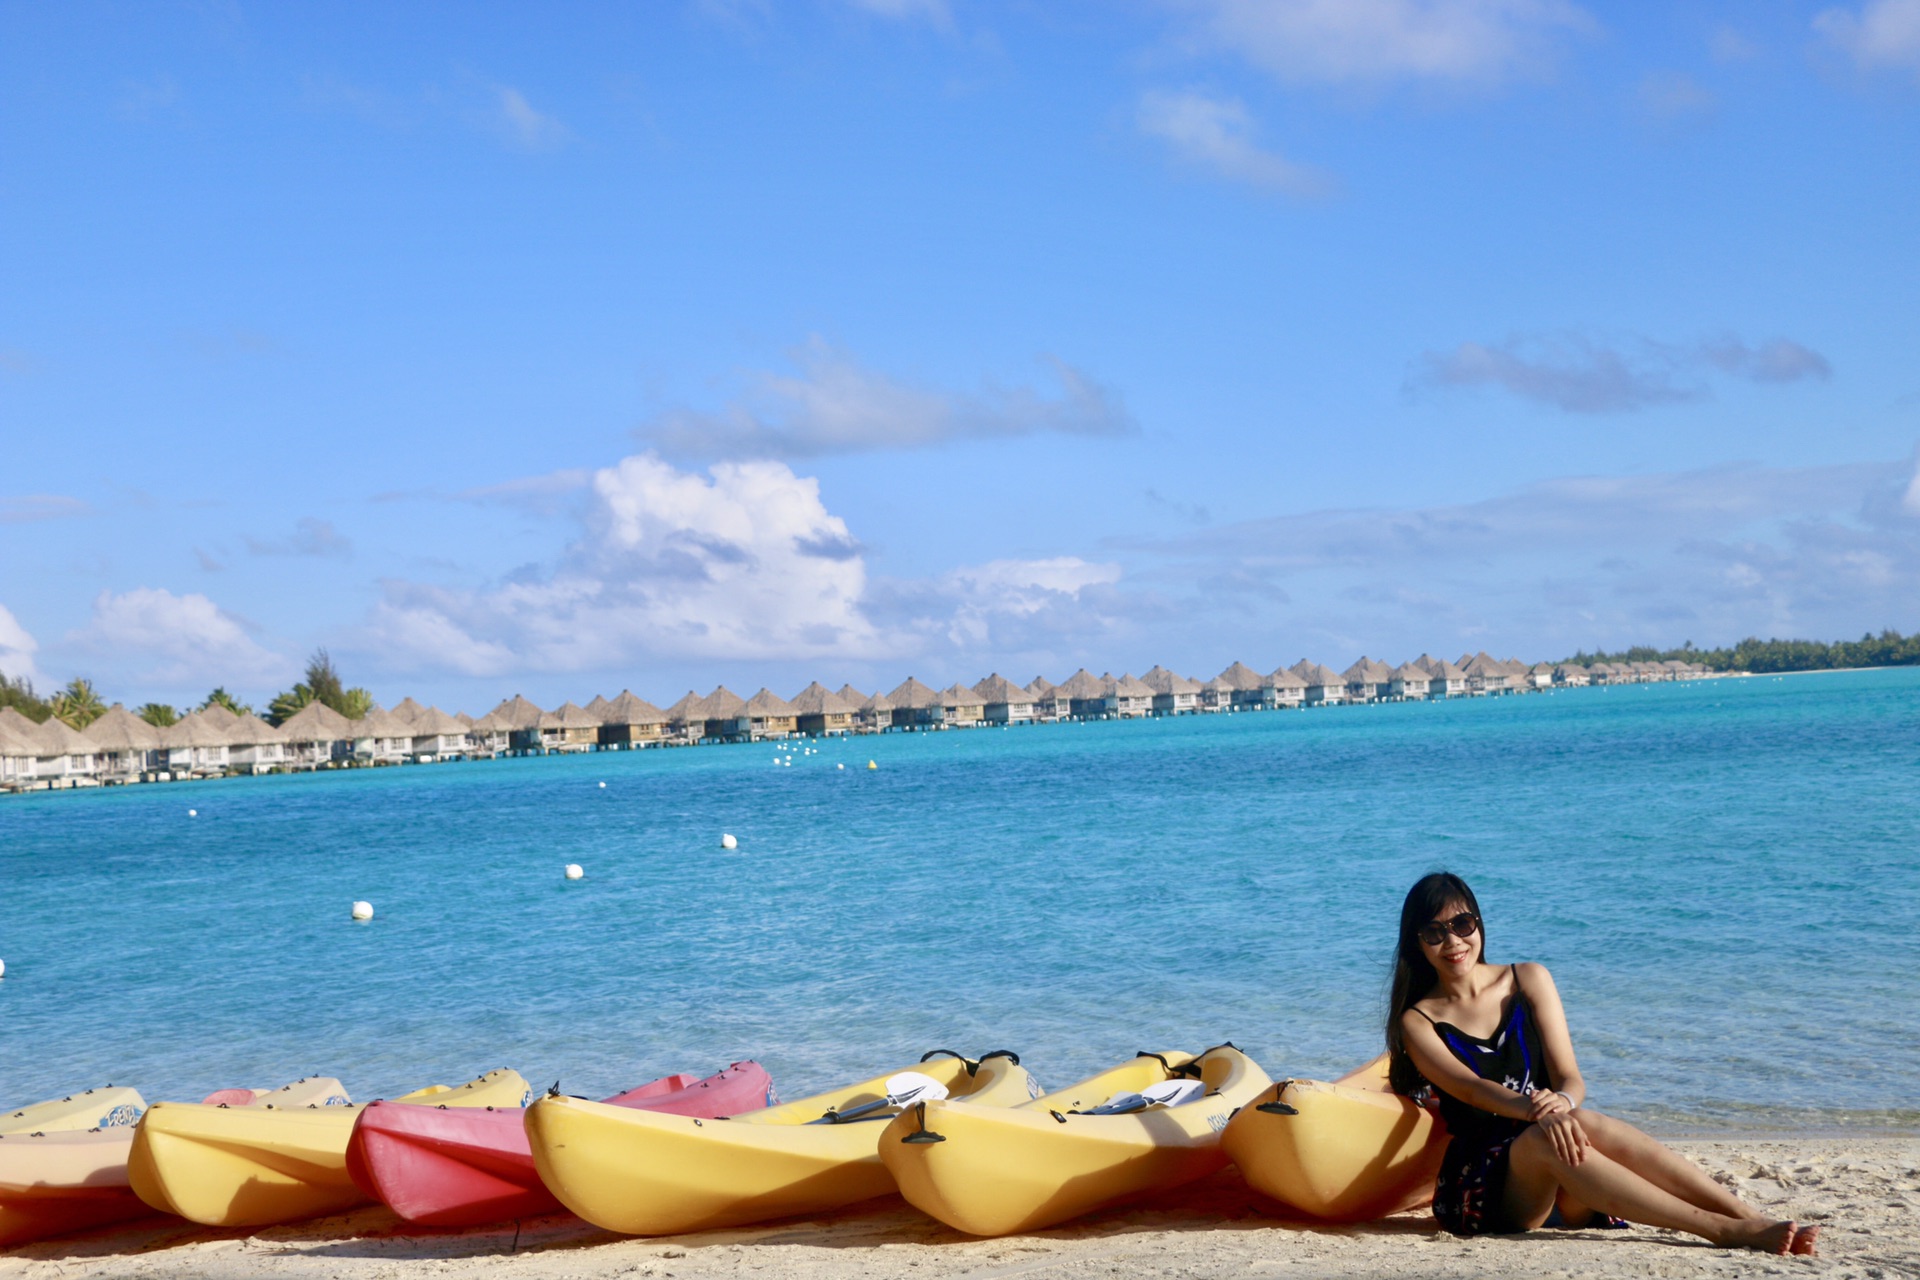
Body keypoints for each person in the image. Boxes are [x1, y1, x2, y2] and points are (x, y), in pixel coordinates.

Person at [1386, 871, 1817, 1255]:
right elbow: (1471, 1089)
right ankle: (1720, 1230)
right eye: (1435, 932)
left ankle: (1746, 1216)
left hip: (1569, 1175)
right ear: (1417, 942)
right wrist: (1540, 1111)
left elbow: (1570, 1077)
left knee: (1583, 1121)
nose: (1454, 942)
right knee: (1544, 1138)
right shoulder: (1419, 1020)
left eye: (1462, 924)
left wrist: (1562, 1104)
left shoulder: (1528, 978)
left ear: (1479, 923)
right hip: (1487, 1189)